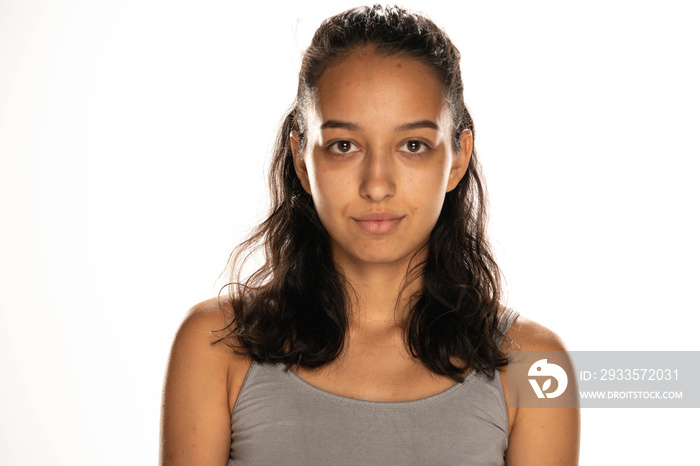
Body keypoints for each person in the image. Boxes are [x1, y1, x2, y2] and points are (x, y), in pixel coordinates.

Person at [160, 5, 580, 465]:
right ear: (302, 158)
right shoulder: (216, 347)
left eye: (413, 145)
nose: (376, 185)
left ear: (458, 159)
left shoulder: (534, 366)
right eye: (344, 145)